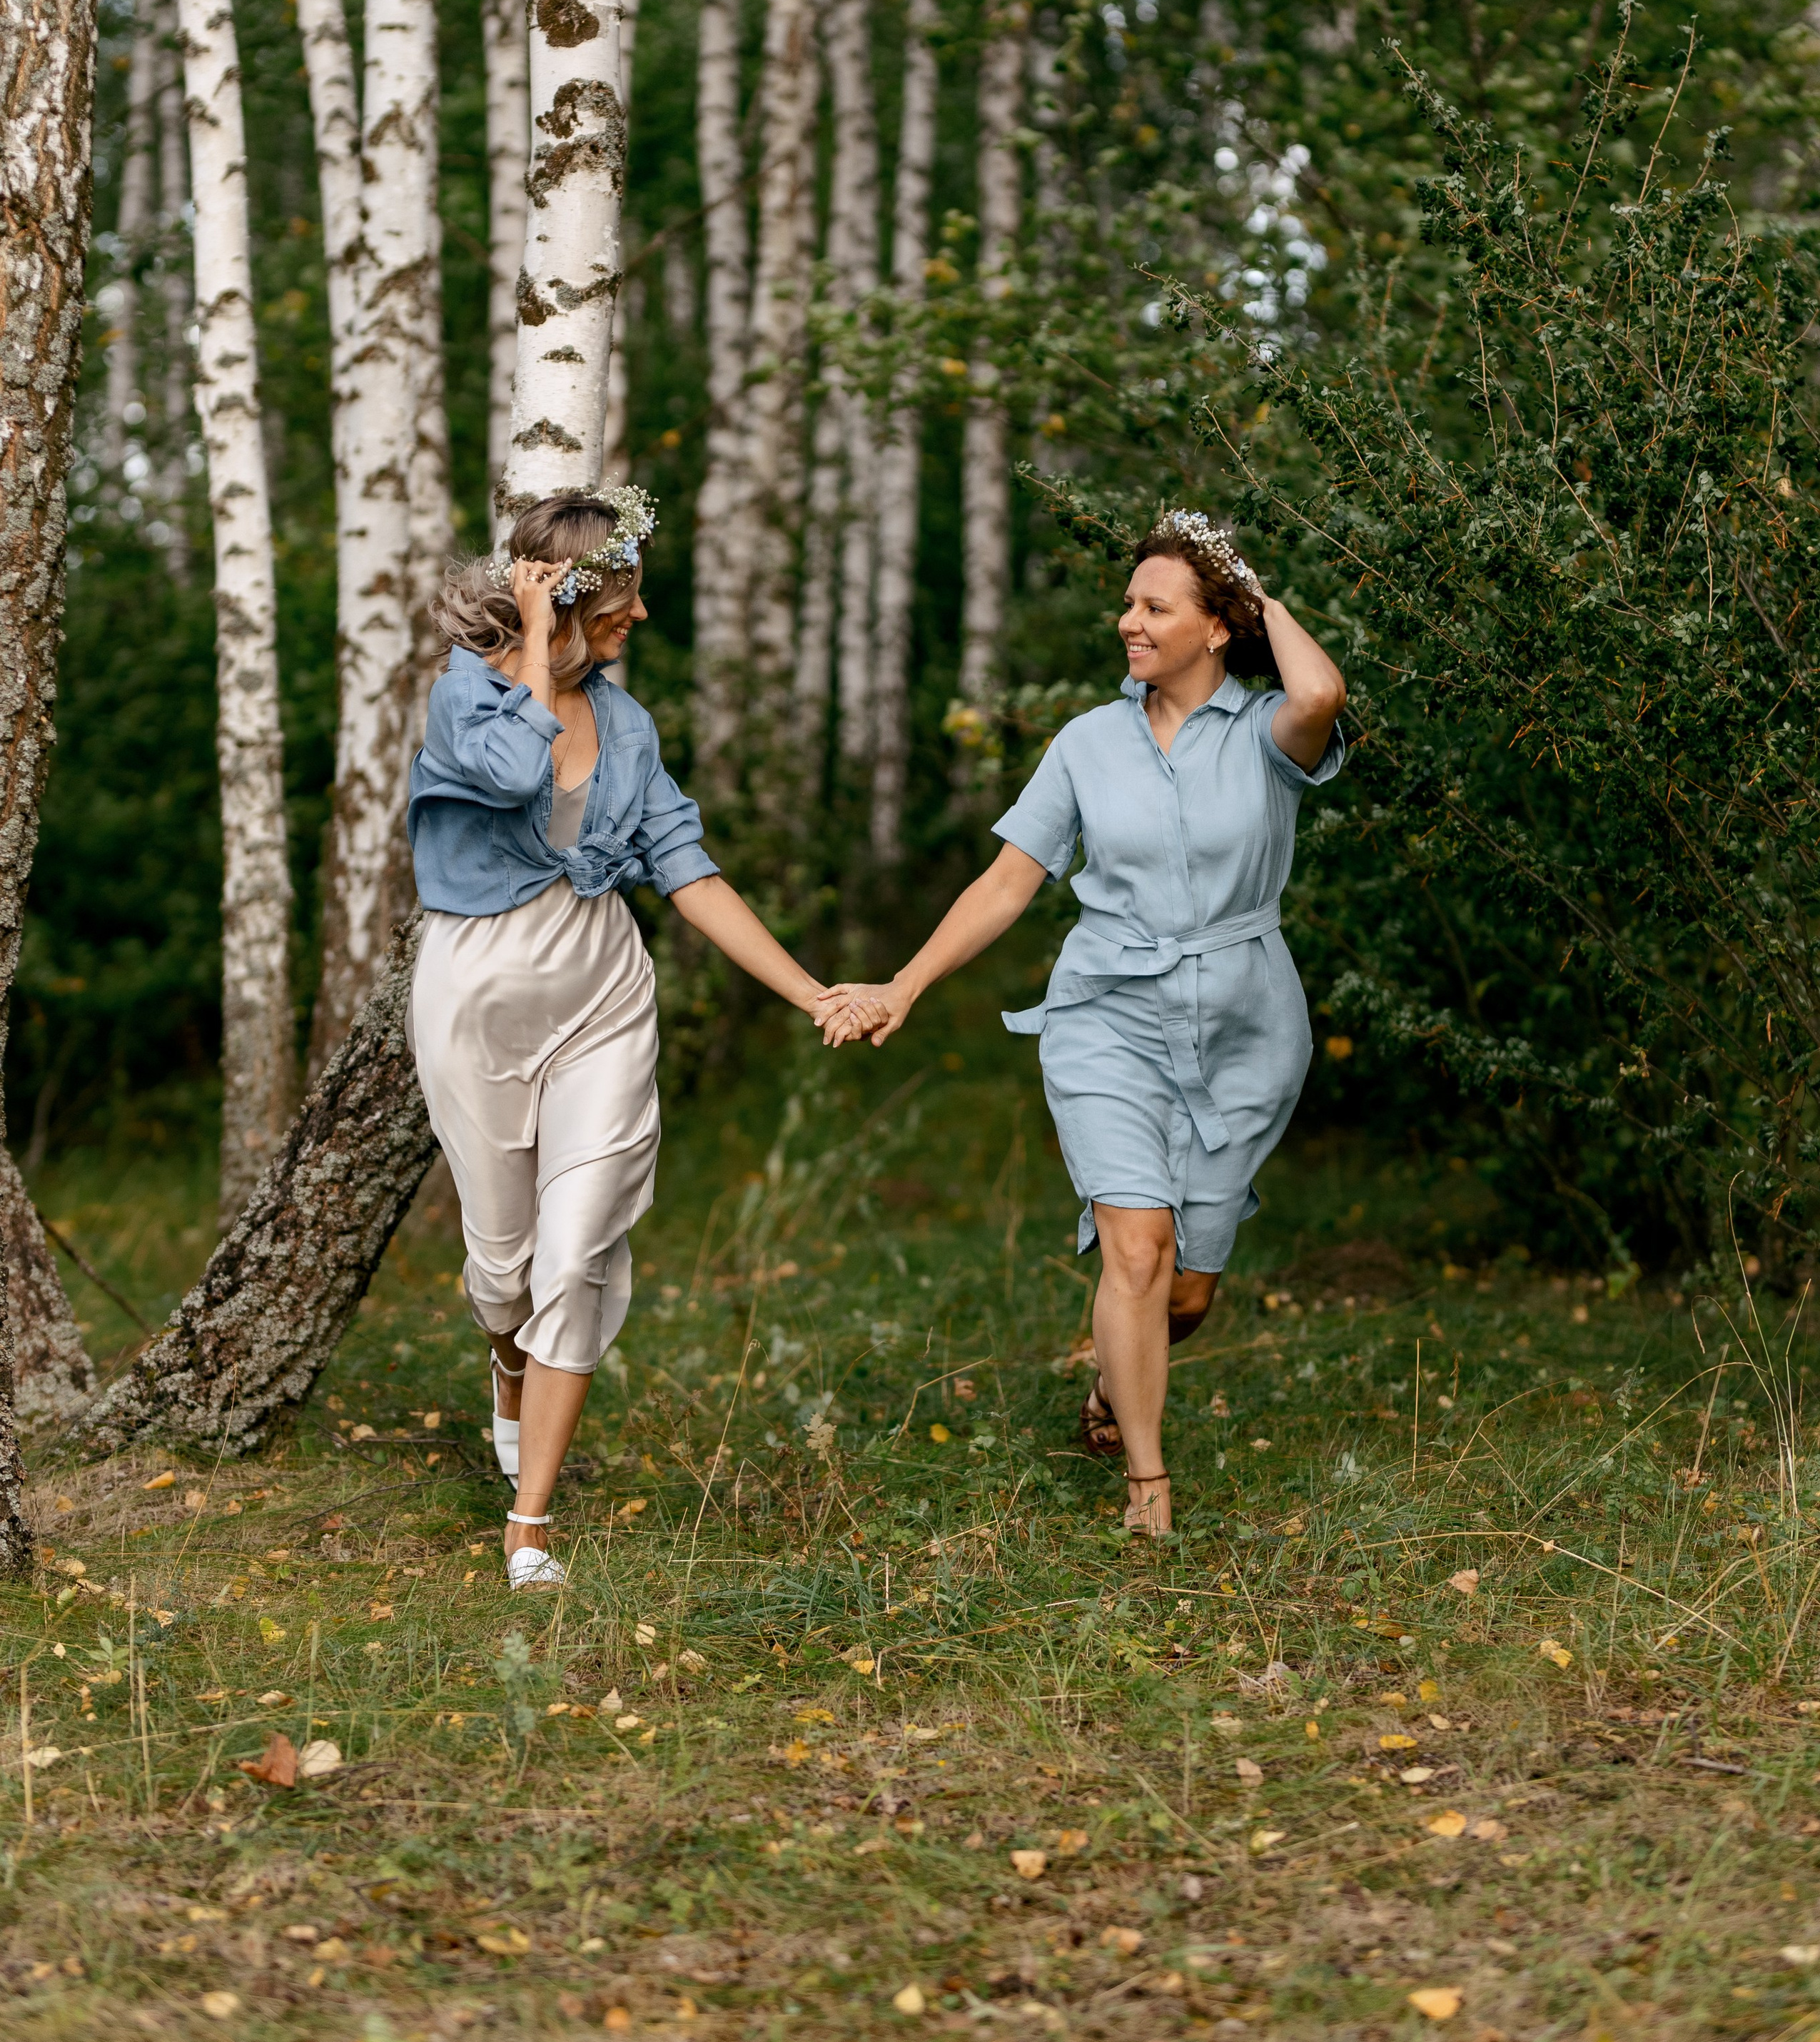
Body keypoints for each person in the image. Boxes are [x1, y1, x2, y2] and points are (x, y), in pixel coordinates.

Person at [407, 487, 875, 1589]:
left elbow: (686, 870)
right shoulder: (464, 698)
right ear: (563, 594)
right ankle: (506, 1364)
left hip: (599, 992)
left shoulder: (628, 725)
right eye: (622, 593)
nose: (641, 615)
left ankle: (530, 1527)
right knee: (502, 1268)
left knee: (577, 1253)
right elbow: (516, 773)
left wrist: (810, 992)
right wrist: (532, 638)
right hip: (475, 996)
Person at [846, 513, 1346, 1537]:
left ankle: (1115, 1391)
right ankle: (1148, 1492)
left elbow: (1322, 693)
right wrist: (906, 984)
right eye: (1128, 602)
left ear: (1216, 628)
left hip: (1248, 1024)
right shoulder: (1086, 742)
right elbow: (1009, 880)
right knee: (1135, 1249)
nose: (1128, 621)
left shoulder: (1268, 736)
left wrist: (1263, 594)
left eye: (1154, 607)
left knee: (1187, 1291)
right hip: (1106, 1013)